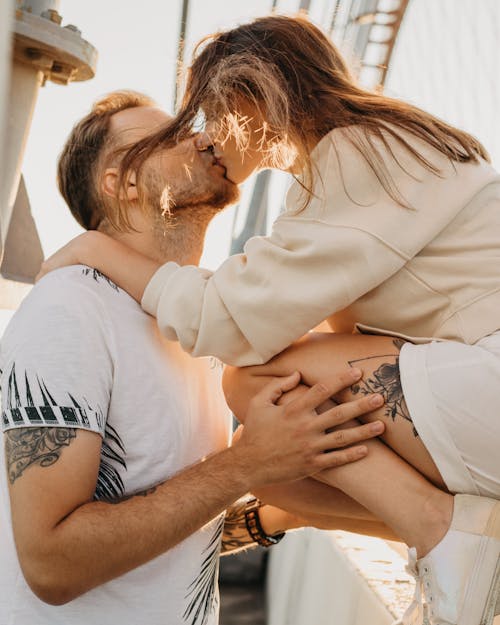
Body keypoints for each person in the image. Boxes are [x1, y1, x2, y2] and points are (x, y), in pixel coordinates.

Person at [36, 15, 500, 625]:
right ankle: (462, 548)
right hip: (475, 388)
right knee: (284, 467)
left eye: (206, 117)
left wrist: (95, 250)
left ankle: (448, 537)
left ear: (247, 98)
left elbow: (233, 324)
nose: (204, 139)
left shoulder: (357, 156)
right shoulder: (368, 157)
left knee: (256, 385)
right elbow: (336, 345)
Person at [0, 90, 387, 625]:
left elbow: (157, 525)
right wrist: (249, 463)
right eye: (172, 134)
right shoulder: (71, 307)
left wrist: (278, 509)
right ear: (122, 182)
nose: (204, 137)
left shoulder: (194, 324)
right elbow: (52, 563)